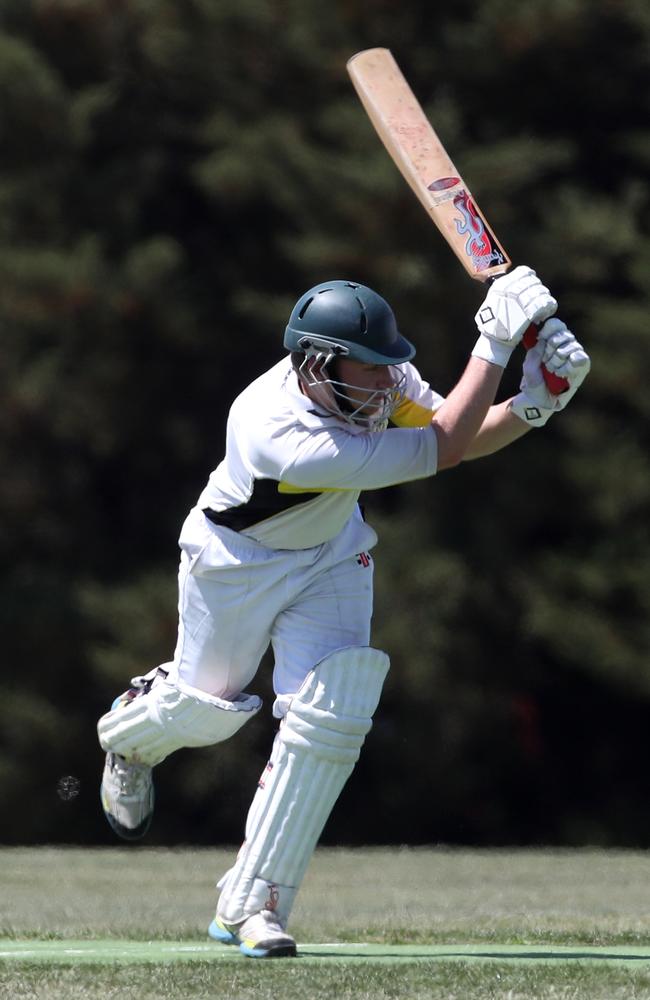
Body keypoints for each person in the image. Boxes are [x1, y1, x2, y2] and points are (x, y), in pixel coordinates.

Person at [97, 267, 590, 958]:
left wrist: (538, 401)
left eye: (393, 368)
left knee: (335, 707)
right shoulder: (281, 434)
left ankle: (254, 902)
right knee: (207, 712)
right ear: (319, 366)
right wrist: (497, 341)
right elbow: (445, 445)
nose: (390, 385)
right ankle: (129, 738)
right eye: (372, 371)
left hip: (330, 555)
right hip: (234, 566)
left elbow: (458, 429)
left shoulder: (377, 380)